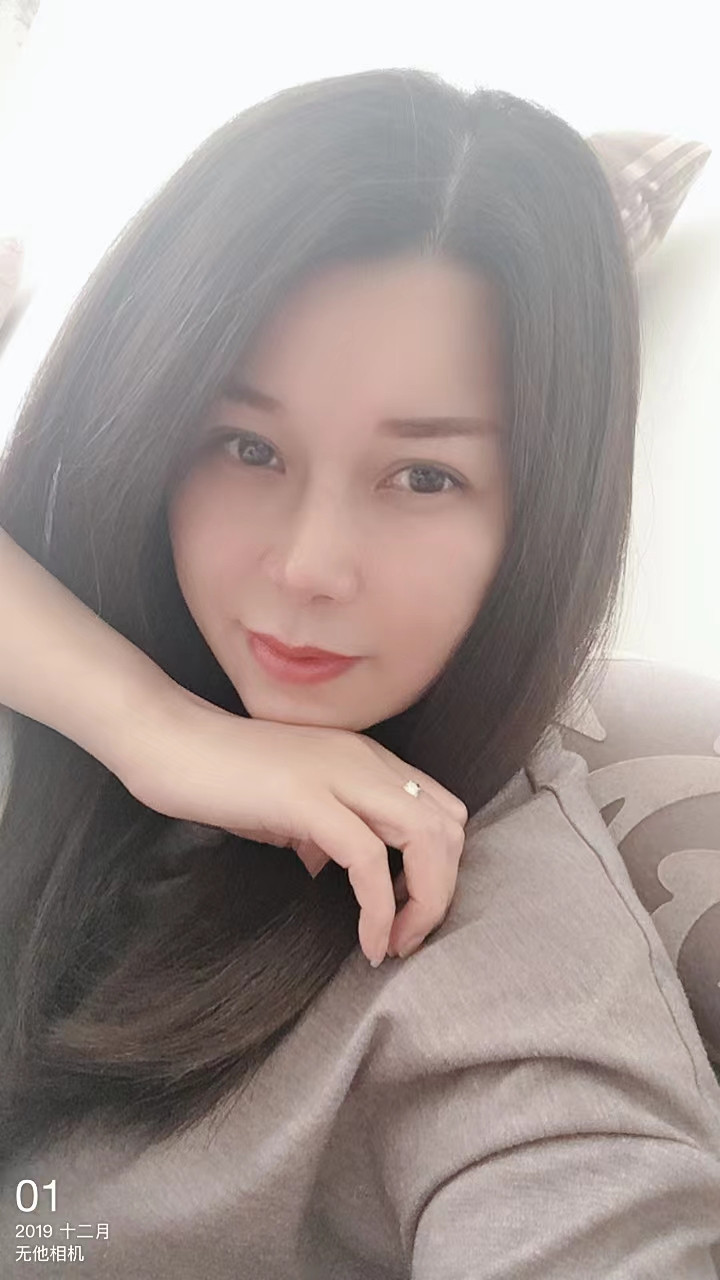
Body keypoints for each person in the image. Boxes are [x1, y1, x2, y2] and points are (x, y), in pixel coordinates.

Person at [0, 66, 719, 1278]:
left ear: (544, 509)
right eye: (247, 445)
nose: (306, 566)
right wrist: (151, 723)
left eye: (424, 476)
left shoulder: (513, 992)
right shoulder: (84, 642)